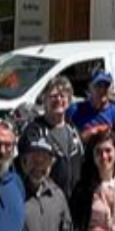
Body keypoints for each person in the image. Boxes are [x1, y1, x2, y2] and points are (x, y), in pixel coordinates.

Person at [19, 77, 83, 205]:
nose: (58, 100)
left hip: (74, 206)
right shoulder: (34, 132)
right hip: (45, 203)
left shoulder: (74, 130)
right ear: (44, 100)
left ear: (69, 101)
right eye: (53, 96)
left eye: (62, 96)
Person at [69, 71, 115, 143]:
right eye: (98, 85)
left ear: (112, 90)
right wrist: (92, 132)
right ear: (89, 88)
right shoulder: (76, 109)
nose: (102, 90)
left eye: (106, 86)